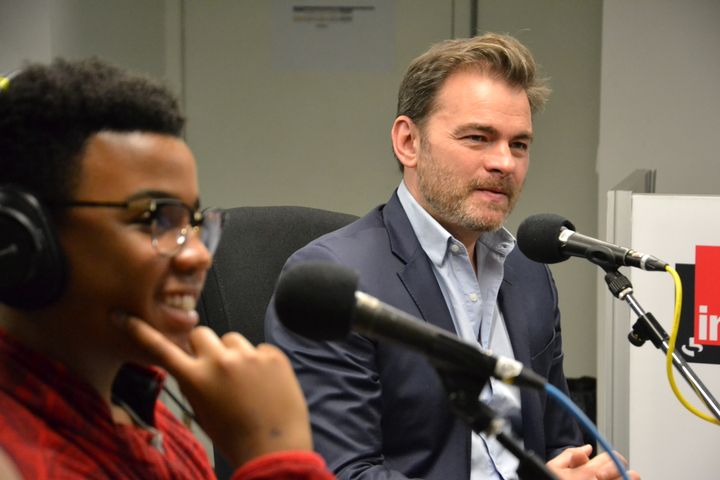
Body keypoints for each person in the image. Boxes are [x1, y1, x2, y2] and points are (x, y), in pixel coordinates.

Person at [266, 33, 639, 480]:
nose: (505, 163)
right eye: (479, 138)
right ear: (408, 142)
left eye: (519, 144)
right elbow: (345, 473)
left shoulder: (530, 273)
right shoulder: (334, 279)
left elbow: (562, 445)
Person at [0, 59, 334, 479]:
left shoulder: (143, 408)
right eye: (154, 219)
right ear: (23, 240)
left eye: (194, 223)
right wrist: (275, 457)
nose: (198, 255)